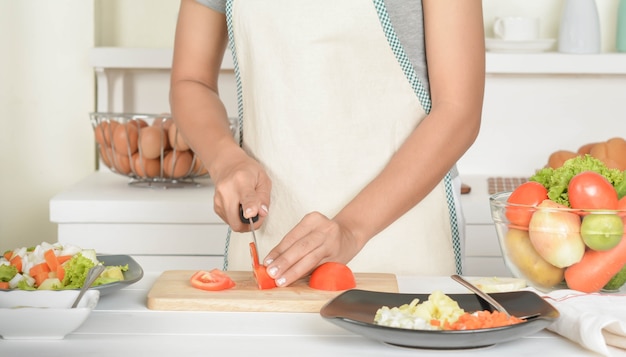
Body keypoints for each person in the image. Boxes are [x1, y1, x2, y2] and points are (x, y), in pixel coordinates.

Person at [170, 0, 485, 287]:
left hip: (402, 259)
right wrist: (226, 160)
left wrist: (350, 229)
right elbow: (191, 80)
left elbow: (459, 111)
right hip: (268, 254)